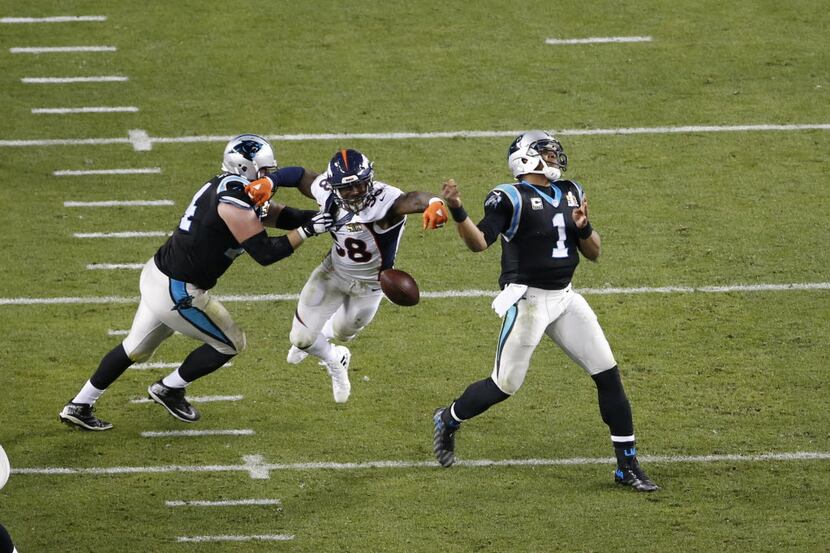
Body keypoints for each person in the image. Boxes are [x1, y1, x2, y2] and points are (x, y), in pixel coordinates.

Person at [431, 131, 659, 492]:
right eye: (546, 153)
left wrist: (584, 228)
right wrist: (458, 210)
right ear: (525, 158)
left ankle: (627, 465)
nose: (554, 158)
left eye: (554, 153)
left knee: (608, 374)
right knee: (504, 385)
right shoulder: (508, 197)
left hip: (565, 298)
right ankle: (449, 417)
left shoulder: (572, 191)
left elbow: (594, 252)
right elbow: (479, 243)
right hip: (528, 301)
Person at [59, 134, 335, 431]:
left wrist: (325, 216)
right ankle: (169, 387)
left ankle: (79, 404)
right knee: (230, 343)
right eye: (264, 170)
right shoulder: (233, 200)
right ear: (245, 168)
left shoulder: (232, 186)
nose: (268, 176)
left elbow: (280, 215)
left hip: (160, 274)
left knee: (135, 348)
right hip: (178, 289)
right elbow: (266, 254)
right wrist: (309, 230)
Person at [248, 148, 447, 403]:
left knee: (343, 332)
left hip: (372, 286)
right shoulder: (327, 192)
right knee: (300, 338)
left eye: (359, 185)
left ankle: (328, 344)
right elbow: (300, 175)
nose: (354, 192)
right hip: (332, 273)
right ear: (333, 187)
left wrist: (435, 203)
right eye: (346, 188)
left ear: (369, 180)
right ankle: (334, 359)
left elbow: (414, 199)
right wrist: (270, 180)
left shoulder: (385, 201)